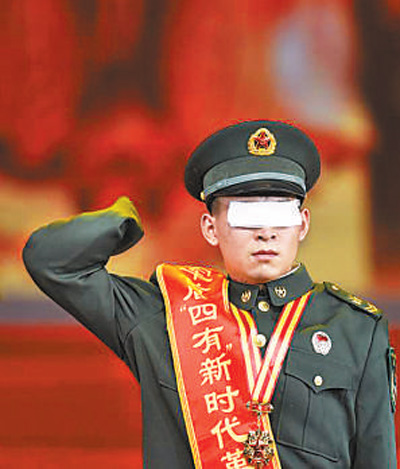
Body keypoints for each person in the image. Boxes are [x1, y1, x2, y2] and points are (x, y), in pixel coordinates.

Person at [23, 120, 396, 468]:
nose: (265, 232)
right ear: (210, 228)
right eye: (245, 215)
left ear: (302, 224)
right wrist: (125, 219)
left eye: (280, 213)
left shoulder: (357, 330)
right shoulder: (164, 316)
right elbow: (51, 261)